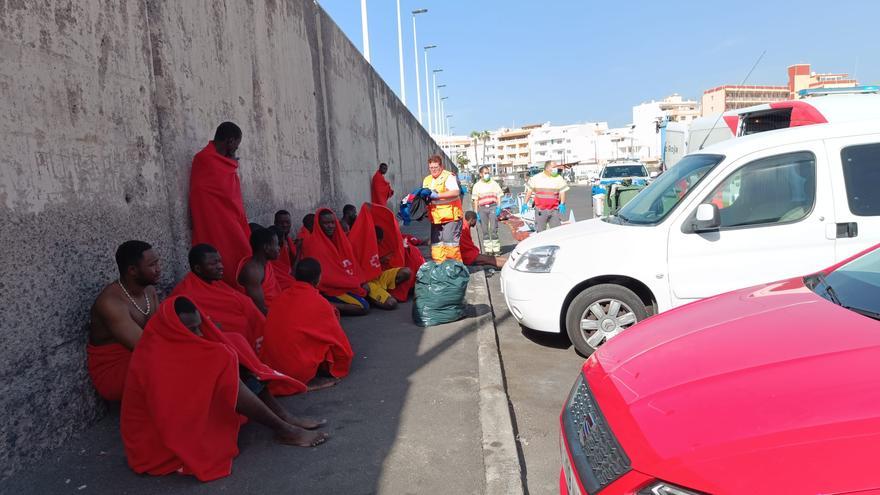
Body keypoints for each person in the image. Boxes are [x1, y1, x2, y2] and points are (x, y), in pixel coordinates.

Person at [121, 297, 328, 482]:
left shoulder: (172, 342)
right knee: (221, 362)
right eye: (192, 330)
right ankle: (284, 429)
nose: (199, 333)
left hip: (178, 415)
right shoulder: (152, 357)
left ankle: (283, 417)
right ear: (174, 329)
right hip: (154, 443)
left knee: (231, 350)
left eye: (199, 326)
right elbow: (169, 414)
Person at [260, 258, 354, 387]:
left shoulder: (280, 297)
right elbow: (342, 347)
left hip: (271, 366)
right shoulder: (320, 303)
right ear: (318, 279)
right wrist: (342, 363)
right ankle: (310, 378)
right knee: (330, 344)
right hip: (295, 370)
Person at [87, 241, 161, 401]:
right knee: (177, 364)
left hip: (144, 357)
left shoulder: (149, 289)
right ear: (132, 270)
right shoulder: (110, 303)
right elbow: (145, 347)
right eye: (152, 265)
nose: (158, 269)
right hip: (115, 372)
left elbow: (161, 330)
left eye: (157, 262)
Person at [170, 244, 267, 352]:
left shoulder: (215, 282)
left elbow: (245, 304)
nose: (220, 266)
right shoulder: (185, 293)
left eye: (220, 261)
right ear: (198, 268)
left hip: (252, 340)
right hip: (224, 348)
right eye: (213, 263)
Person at [190, 122, 251, 286]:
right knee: (229, 256)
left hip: (231, 216)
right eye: (236, 146)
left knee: (243, 252)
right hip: (214, 219)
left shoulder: (221, 160)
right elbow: (220, 192)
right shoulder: (205, 159)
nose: (235, 150)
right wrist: (232, 163)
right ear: (230, 141)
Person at [300, 208, 371, 316]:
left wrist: (361, 281)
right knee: (363, 307)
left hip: (348, 281)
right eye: (326, 223)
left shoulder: (341, 240)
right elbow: (325, 277)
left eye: (333, 222)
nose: (330, 226)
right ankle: (327, 304)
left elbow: (353, 263)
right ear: (318, 224)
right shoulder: (312, 244)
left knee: (381, 299)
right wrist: (351, 283)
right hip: (331, 289)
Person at [423, 154, 464, 263]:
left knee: (450, 244)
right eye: (431, 168)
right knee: (436, 245)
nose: (433, 170)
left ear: (441, 167)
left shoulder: (448, 176)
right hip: (436, 218)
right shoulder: (427, 180)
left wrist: (437, 196)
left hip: (451, 217)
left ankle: (455, 270)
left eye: (436, 167)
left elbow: (456, 192)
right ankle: (440, 268)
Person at [237, 228, 283, 315]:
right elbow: (260, 309)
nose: (279, 248)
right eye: (276, 245)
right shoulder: (252, 272)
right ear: (266, 248)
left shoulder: (265, 263)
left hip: (277, 307)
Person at [522, 161, 570, 232]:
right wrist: (525, 203)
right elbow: (529, 191)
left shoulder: (558, 178)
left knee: (557, 231)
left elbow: (562, 191)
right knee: (541, 232)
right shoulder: (536, 178)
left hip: (554, 210)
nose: (556, 169)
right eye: (554, 167)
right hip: (541, 211)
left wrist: (562, 203)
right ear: (547, 168)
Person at [470, 165, 504, 255]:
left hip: (493, 207)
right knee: (485, 230)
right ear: (480, 174)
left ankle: (496, 249)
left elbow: (499, 195)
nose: (487, 175)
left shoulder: (494, 183)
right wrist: (476, 212)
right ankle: (488, 249)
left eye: (488, 173)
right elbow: (475, 200)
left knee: (493, 228)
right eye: (485, 173)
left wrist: (499, 207)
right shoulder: (477, 186)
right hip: (482, 208)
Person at [272, 209, 300, 280]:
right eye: (281, 223)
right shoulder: (273, 243)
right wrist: (299, 250)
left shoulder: (288, 239)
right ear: (275, 223)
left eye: (287, 222)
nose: (285, 225)